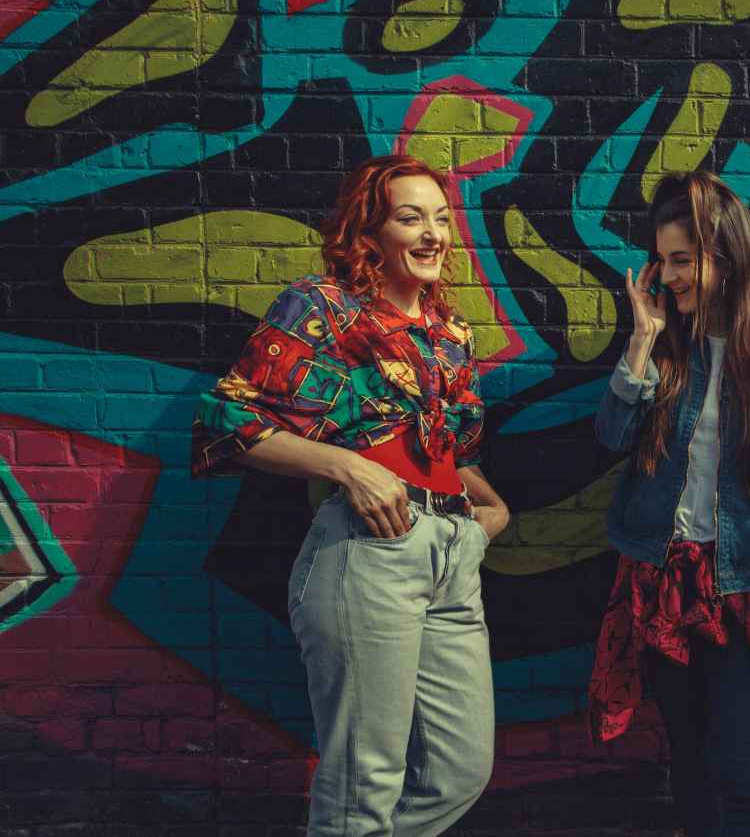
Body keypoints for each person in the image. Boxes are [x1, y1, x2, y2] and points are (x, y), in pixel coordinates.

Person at [191, 154, 511, 837]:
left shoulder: (450, 333)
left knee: (460, 771)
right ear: (369, 235)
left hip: (453, 557)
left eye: (440, 219)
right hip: (370, 557)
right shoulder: (324, 309)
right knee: (365, 783)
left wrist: (488, 513)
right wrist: (347, 466)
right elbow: (228, 423)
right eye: (409, 218)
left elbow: (443, 446)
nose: (431, 235)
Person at [587, 171, 750, 836]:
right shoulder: (664, 356)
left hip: (744, 588)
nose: (669, 275)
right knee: (692, 765)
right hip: (660, 581)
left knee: (739, 768)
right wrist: (640, 341)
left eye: (683, 260)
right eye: (663, 260)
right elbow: (610, 436)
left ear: (726, 261)